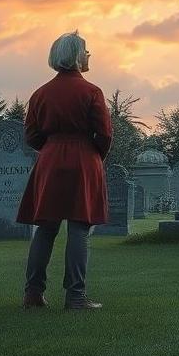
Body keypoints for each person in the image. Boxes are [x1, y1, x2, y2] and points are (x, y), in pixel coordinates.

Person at [17, 31, 112, 311]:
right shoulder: (92, 92)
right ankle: (76, 296)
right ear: (76, 56)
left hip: (49, 161)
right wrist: (95, 156)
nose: (89, 55)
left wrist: (50, 150)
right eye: (86, 51)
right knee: (79, 230)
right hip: (84, 160)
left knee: (45, 230)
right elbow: (104, 133)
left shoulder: (40, 94)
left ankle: (33, 294)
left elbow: (31, 135)